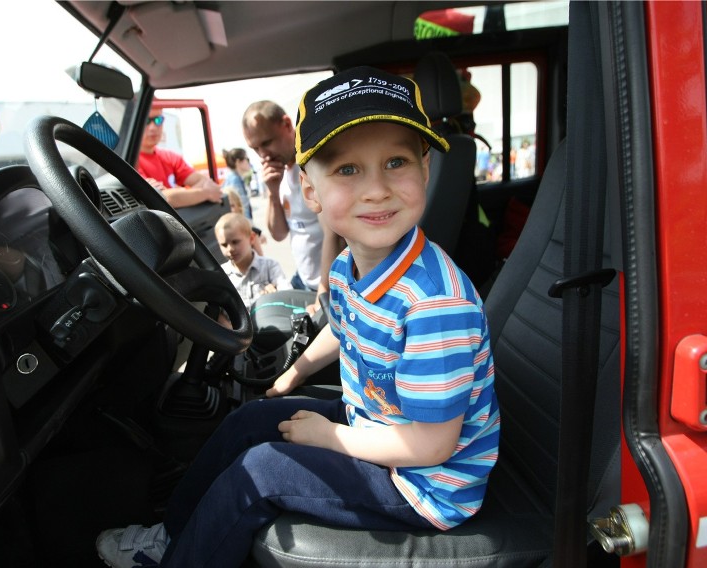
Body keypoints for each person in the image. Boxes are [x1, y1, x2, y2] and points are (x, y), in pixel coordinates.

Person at [95, 67, 499, 568]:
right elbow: (346, 326)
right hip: (379, 427)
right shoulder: (354, 264)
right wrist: (297, 371)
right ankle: (172, 536)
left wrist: (330, 438)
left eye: (396, 161)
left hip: (426, 485)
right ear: (310, 192)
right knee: (251, 420)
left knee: (263, 470)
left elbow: (434, 444)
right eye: (348, 170)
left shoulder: (436, 304)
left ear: (425, 170)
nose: (376, 189)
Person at [241, 100, 341, 298]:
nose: (263, 155)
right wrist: (272, 191)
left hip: (328, 284)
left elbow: (334, 236)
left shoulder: (313, 165)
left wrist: (324, 292)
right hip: (303, 280)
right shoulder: (281, 172)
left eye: (267, 143)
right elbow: (278, 234)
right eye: (255, 149)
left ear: (287, 125)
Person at [137, 106, 224, 209]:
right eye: (146, 120)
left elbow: (206, 182)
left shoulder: (170, 157)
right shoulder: (129, 161)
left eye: (158, 120)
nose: (153, 127)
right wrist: (205, 193)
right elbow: (163, 199)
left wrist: (178, 195)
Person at [214, 212, 290, 309]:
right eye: (224, 245)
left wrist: (275, 296)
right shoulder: (221, 275)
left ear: (251, 238)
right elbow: (219, 312)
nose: (230, 249)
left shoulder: (270, 266)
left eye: (235, 242)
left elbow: (287, 294)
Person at [225, 189, 266, 257]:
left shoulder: (248, 228)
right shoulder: (221, 232)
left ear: (239, 207)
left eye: (232, 206)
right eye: (225, 206)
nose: (228, 210)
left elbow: (260, 256)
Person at [220, 148, 253, 219]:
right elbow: (242, 208)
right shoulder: (235, 180)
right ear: (238, 162)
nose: (249, 162)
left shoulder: (232, 178)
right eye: (247, 159)